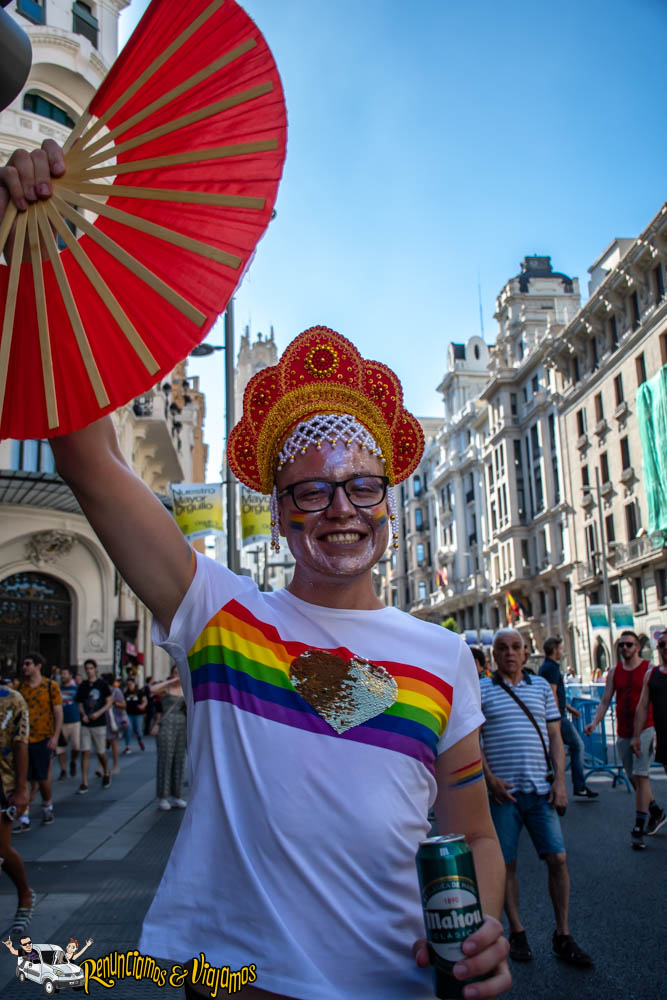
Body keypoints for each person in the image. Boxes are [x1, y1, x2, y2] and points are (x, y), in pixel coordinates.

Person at [2, 141, 510, 1000]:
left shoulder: (443, 658)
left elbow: (476, 838)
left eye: (359, 486)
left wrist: (483, 933)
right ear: (277, 513)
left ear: (386, 501)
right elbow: (85, 454)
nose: (340, 509)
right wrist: (48, 240)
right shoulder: (217, 613)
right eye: (310, 492)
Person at [480, 628, 593, 969]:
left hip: (542, 792)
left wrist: (560, 780)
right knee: (506, 865)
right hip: (505, 796)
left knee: (558, 860)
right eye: (502, 648)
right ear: (494, 656)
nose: (510, 653)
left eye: (516, 647)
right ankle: (517, 930)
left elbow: (556, 737)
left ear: (527, 653)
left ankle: (563, 935)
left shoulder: (541, 688)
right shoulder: (481, 690)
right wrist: (489, 779)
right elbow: (473, 741)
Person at [585, 629, 665, 850]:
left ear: (637, 647)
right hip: (623, 731)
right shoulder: (614, 671)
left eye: (629, 645)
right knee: (634, 779)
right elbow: (605, 701)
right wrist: (594, 723)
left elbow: (655, 702)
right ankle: (656, 811)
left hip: (646, 728)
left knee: (641, 775)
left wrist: (659, 731)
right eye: (621, 645)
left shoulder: (649, 669)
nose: (624, 649)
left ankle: (638, 829)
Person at [538, 637, 597, 799]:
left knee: (557, 749)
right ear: (554, 650)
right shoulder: (551, 668)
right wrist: (556, 717)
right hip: (556, 717)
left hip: (557, 714)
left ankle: (557, 781)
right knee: (577, 745)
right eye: (561, 648)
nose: (562, 652)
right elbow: (552, 692)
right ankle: (579, 785)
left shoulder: (547, 667)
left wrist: (569, 707)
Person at [0, 683, 36, 935]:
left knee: (1, 849)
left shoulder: (13, 700)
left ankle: (24, 893)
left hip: (2, 784)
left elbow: (21, 744)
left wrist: (22, 789)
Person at [17, 652, 63, 830]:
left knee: (43, 778)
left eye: (28, 664)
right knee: (24, 778)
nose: (24, 667)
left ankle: (47, 805)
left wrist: (55, 736)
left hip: (44, 737)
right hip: (24, 739)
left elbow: (58, 712)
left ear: (37, 666)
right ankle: (24, 818)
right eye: (23, 664)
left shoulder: (50, 686)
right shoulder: (21, 688)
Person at [633, 627, 667, 798]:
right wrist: (637, 736)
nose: (666, 648)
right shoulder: (651, 674)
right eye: (662, 644)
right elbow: (642, 707)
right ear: (658, 648)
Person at [150, 668, 187, 810]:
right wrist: (171, 681)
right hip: (166, 725)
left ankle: (177, 795)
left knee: (179, 760)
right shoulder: (165, 689)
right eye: (175, 673)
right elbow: (152, 689)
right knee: (165, 760)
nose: (178, 675)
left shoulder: (185, 689)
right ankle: (163, 797)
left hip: (182, 726)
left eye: (180, 672)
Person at [75, 659, 113, 792]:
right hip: (86, 723)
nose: (88, 670)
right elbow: (79, 703)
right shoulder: (83, 686)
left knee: (100, 752)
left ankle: (106, 771)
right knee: (85, 751)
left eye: (91, 668)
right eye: (87, 668)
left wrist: (98, 713)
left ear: (96, 669)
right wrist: (83, 714)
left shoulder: (102, 685)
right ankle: (84, 782)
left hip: (99, 723)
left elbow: (109, 702)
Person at [56, 666, 81, 780]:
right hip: (61, 723)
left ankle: (73, 761)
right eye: (61, 674)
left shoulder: (76, 689)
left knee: (76, 747)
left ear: (70, 676)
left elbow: (81, 704)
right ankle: (63, 769)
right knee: (60, 749)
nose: (63, 676)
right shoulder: (57, 689)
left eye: (65, 673)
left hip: (74, 721)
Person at [123, 676, 146, 752]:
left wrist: (142, 705)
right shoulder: (126, 693)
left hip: (138, 714)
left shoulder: (139, 692)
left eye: (131, 684)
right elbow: (123, 702)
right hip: (129, 714)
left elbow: (145, 701)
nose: (130, 685)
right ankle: (127, 746)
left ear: (134, 684)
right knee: (128, 729)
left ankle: (140, 740)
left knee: (138, 730)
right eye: (128, 684)